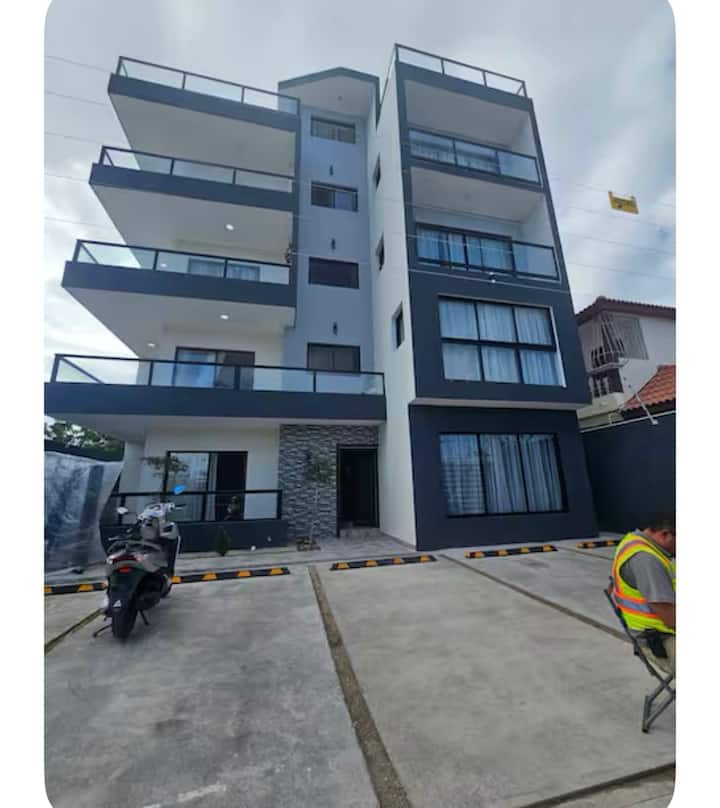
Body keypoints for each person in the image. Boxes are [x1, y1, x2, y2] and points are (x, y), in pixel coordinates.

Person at [611, 514, 676, 675]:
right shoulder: (647, 560)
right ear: (665, 534)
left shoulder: (635, 541)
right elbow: (670, 617)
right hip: (662, 638)